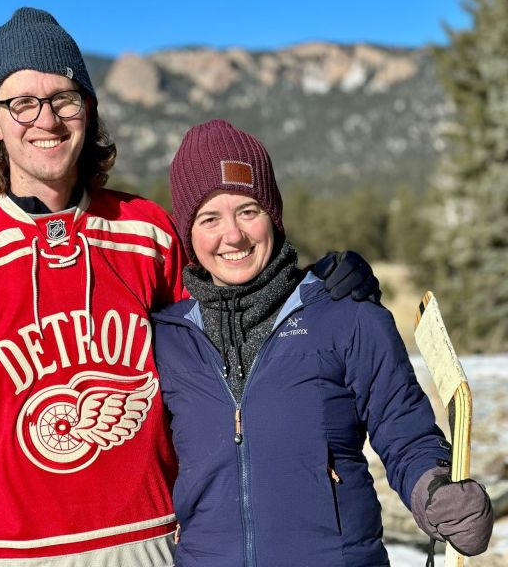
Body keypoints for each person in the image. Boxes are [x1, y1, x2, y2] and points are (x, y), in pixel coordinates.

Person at [0, 9, 380, 567]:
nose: (45, 120)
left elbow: (231, 338)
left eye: (64, 99)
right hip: (9, 555)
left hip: (153, 542)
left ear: (89, 112)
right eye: (21, 103)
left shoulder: (146, 233)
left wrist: (315, 297)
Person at [152, 119, 494, 567]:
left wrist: (435, 489)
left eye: (248, 211)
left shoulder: (348, 316)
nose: (232, 235)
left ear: (273, 216)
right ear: (189, 235)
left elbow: (405, 431)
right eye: (209, 218)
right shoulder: (167, 338)